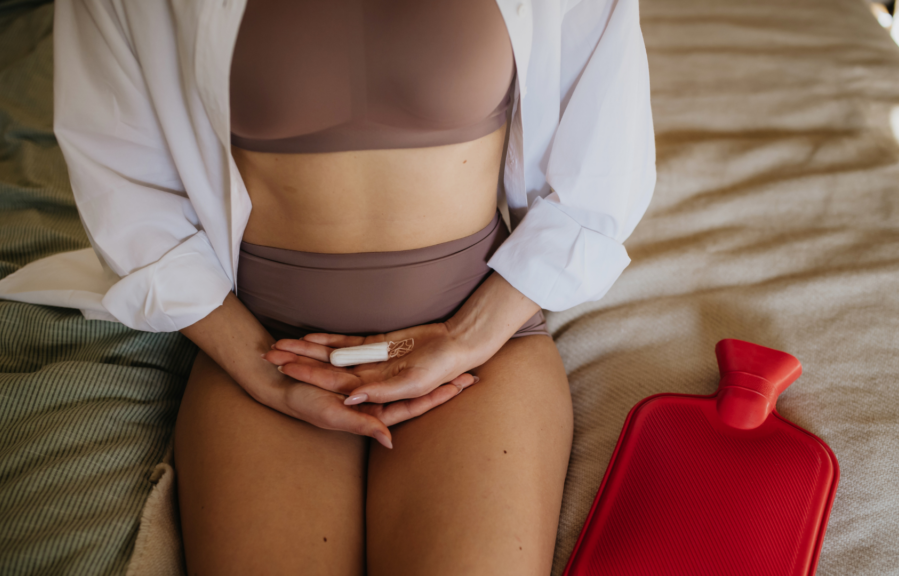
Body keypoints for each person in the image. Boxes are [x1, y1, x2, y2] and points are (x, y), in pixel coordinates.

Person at [48, 0, 655, 573]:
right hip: (270, 347)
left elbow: (601, 169)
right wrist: (260, 368)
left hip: (482, 343)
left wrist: (466, 337)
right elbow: (124, 185)